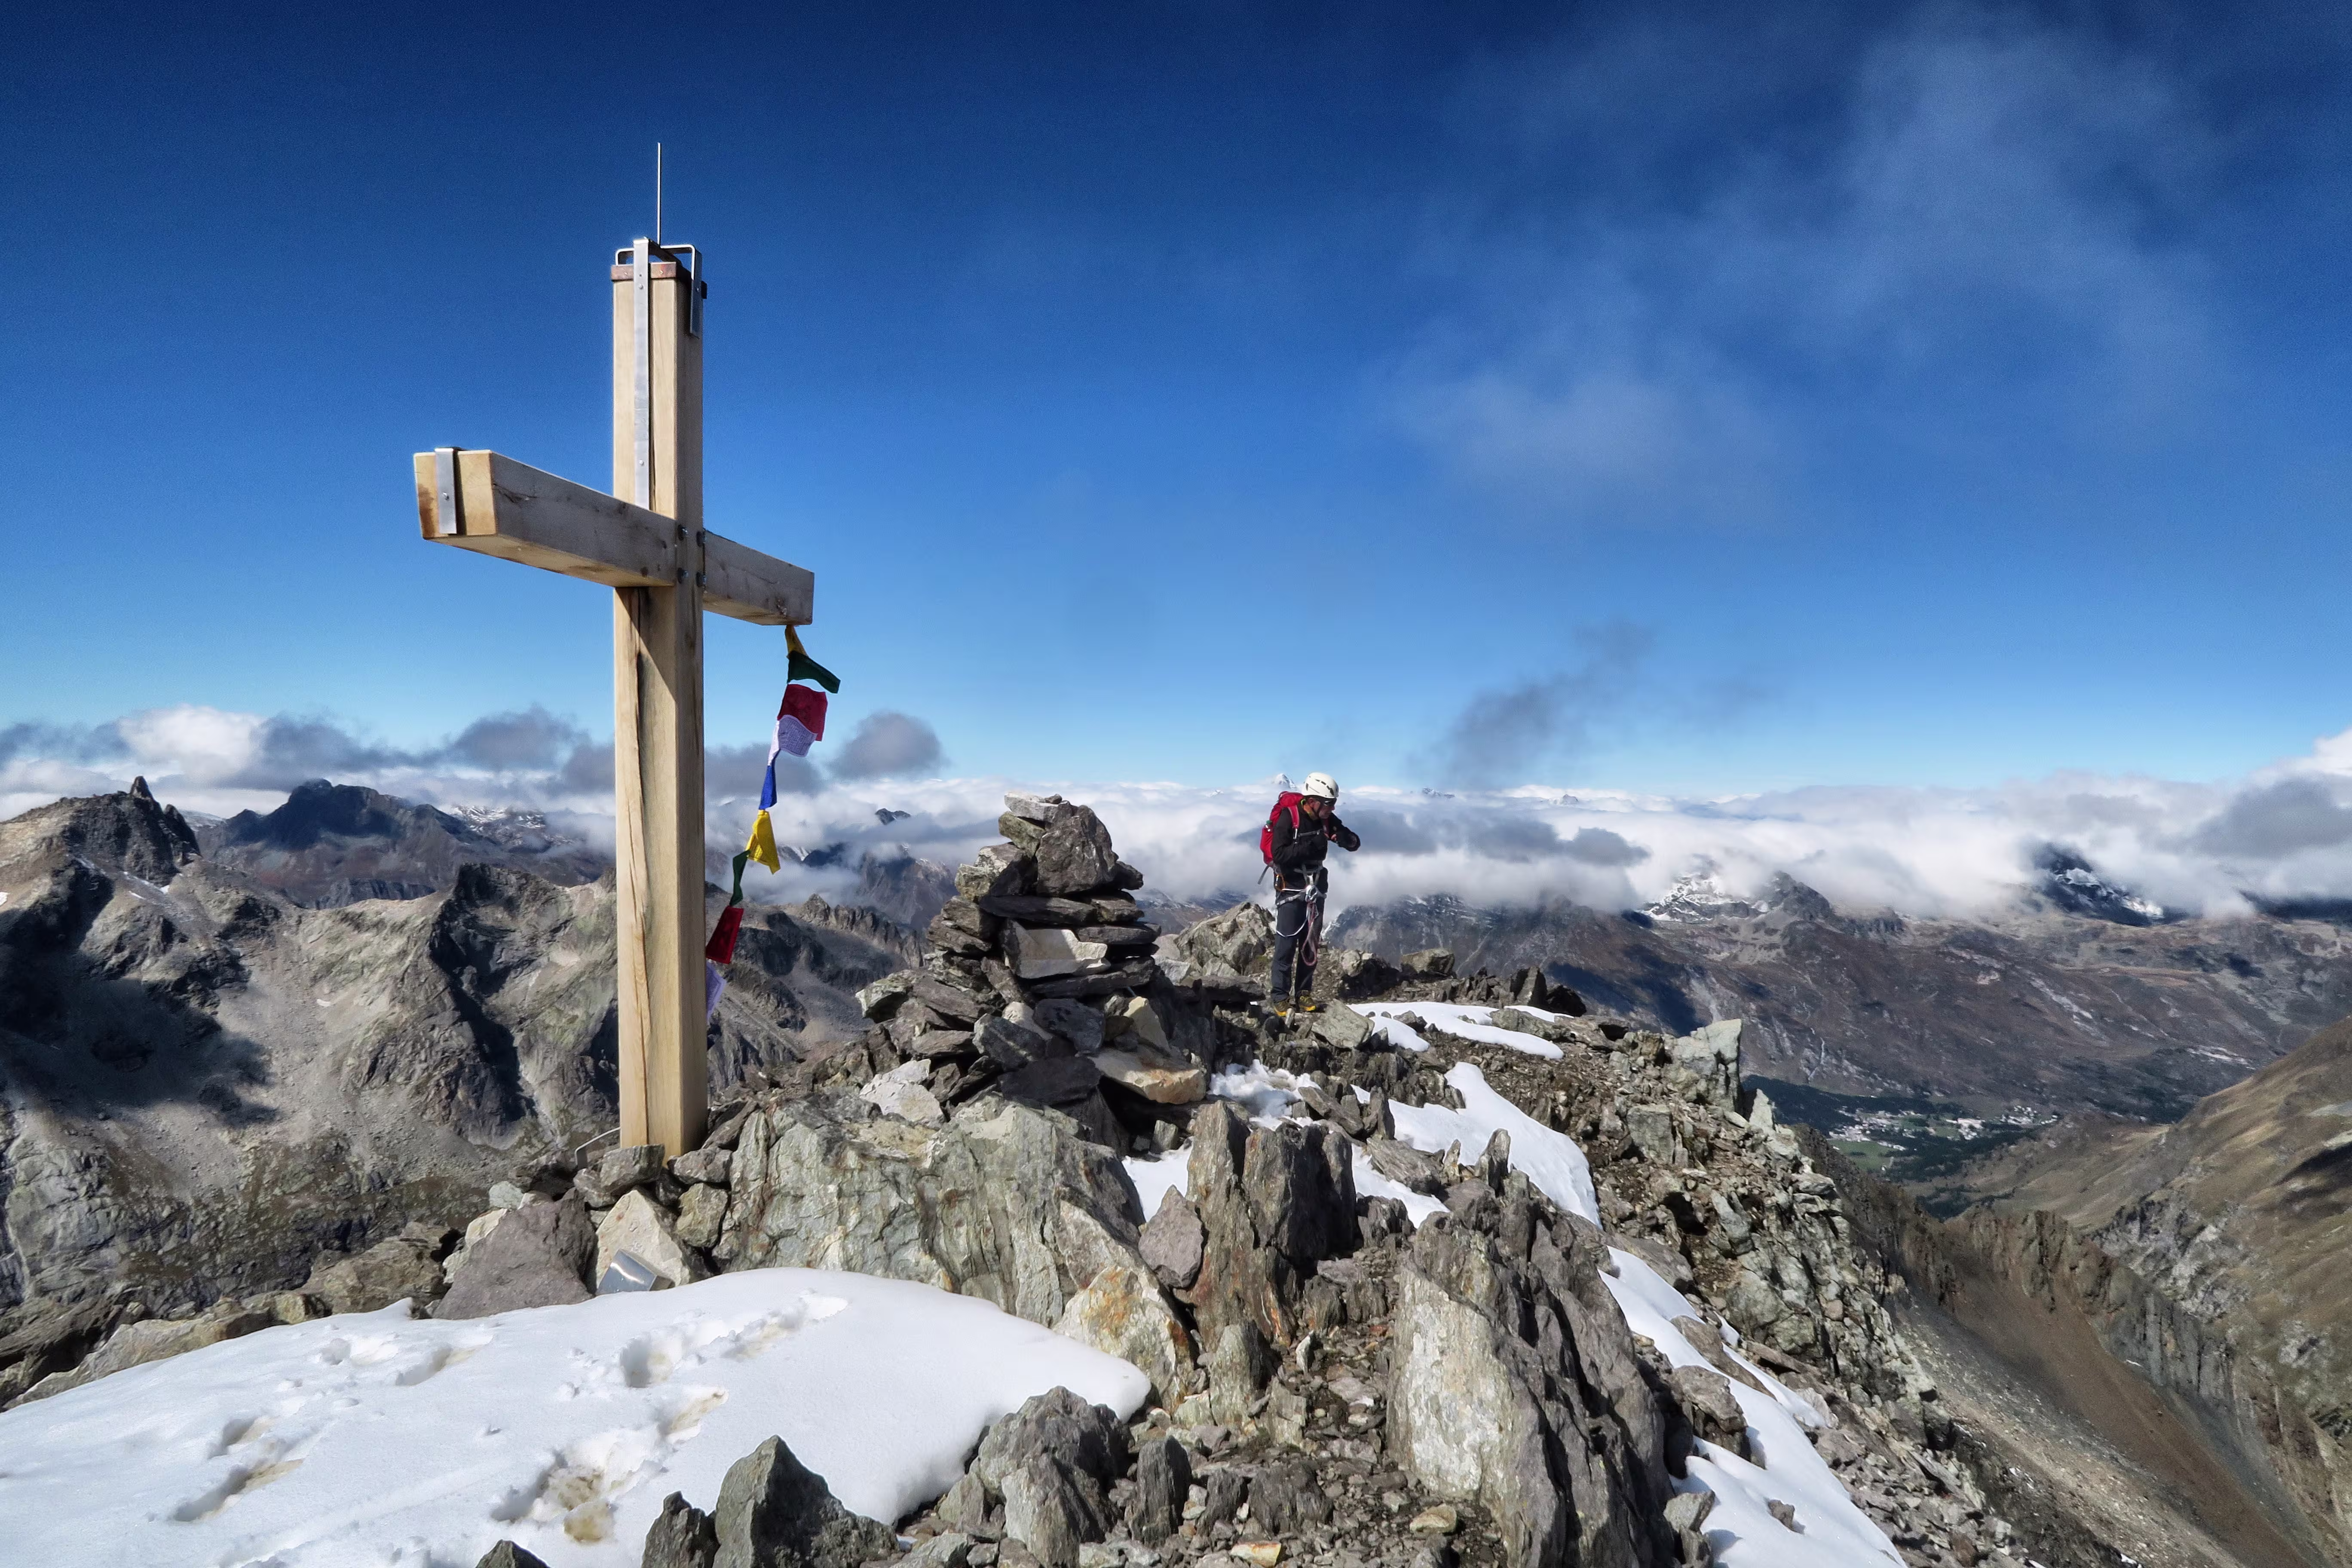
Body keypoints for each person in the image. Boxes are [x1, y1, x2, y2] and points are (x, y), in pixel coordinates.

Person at [1265, 772, 1360, 1016]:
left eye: (1334, 804)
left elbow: (1352, 840)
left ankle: (1303, 993)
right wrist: (1313, 846)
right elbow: (1279, 855)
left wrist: (1347, 840)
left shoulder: (1325, 818)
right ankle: (1280, 997)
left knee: (1310, 943)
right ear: (1312, 800)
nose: (1332, 808)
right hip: (1291, 886)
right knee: (1286, 943)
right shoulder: (1290, 818)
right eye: (1329, 803)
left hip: (1315, 887)